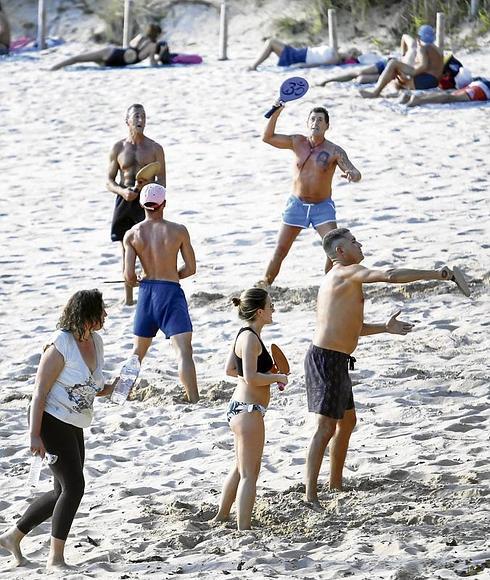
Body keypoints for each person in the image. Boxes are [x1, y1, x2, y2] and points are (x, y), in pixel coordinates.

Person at [304, 228, 469, 507]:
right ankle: (310, 495)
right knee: (325, 427)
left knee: (347, 423)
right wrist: (438, 274)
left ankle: (335, 485)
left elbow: (349, 328)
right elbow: (390, 275)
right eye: (354, 242)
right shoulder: (347, 272)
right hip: (326, 359)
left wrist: (385, 328)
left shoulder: (340, 278)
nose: (360, 244)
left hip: (337, 359)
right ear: (341, 252)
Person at [0, 290, 115, 570]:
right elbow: (39, 393)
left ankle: (12, 536)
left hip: (75, 423)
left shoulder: (96, 342)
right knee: (74, 487)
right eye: (101, 311)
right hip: (51, 422)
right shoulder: (60, 343)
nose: (105, 315)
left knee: (61, 491)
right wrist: (34, 434)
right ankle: (56, 559)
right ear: (87, 314)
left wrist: (117, 388)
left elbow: (93, 388)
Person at [258, 105, 361, 288]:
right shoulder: (297, 141)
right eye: (313, 119)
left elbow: (354, 171)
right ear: (308, 123)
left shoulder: (334, 151)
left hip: (322, 207)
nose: (316, 123)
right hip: (297, 205)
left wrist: (352, 175)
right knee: (280, 250)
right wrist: (277, 112)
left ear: (327, 126)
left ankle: (330, 285)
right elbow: (267, 137)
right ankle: (265, 285)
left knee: (335, 249)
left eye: (320, 120)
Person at [213, 288, 288, 530]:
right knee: (249, 475)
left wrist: (267, 375)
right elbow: (250, 377)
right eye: (271, 305)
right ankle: (243, 528)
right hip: (248, 411)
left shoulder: (244, 335)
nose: (273, 309)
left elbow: (231, 371)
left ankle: (221, 516)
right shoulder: (250, 338)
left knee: (239, 468)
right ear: (260, 311)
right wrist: (277, 376)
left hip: (240, 408)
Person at [123, 183, 199, 403]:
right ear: (163, 203)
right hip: (170, 292)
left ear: (141, 204)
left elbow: (128, 276)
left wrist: (138, 278)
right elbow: (191, 268)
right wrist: (172, 274)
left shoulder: (132, 235)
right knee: (184, 351)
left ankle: (121, 393)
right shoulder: (178, 230)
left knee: (137, 352)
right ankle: (193, 398)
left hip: (147, 294)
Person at [107, 103, 166, 305]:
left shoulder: (155, 148)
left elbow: (162, 180)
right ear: (127, 121)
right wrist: (123, 191)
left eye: (143, 116)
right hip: (124, 201)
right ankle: (129, 298)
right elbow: (109, 181)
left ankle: (149, 294)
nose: (140, 120)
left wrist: (147, 193)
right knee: (126, 249)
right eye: (136, 117)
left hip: (147, 201)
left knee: (148, 249)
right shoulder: (118, 148)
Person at [360, 25, 443, 98]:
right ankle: (395, 93)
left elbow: (423, 65)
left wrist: (410, 74)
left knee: (393, 63)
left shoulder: (423, 47)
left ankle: (375, 92)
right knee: (394, 81)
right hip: (433, 81)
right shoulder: (436, 49)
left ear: (419, 37)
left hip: (425, 81)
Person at [50, 24, 162, 70]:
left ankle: (53, 69)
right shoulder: (153, 45)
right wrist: (159, 57)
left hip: (114, 53)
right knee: (81, 60)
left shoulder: (140, 37)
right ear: (157, 34)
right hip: (117, 62)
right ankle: (52, 69)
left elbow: (130, 46)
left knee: (78, 59)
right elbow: (153, 64)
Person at [248, 37, 361, 71]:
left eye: (350, 52)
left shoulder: (335, 59)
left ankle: (253, 66)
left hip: (300, 57)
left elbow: (318, 65)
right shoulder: (336, 51)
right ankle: (254, 65)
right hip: (300, 52)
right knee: (272, 44)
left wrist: (301, 66)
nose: (347, 51)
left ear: (350, 56)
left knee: (271, 42)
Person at [400, 75, 490, 107]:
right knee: (452, 98)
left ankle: (410, 97)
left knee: (450, 94)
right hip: (483, 89)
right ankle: (419, 100)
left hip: (479, 84)